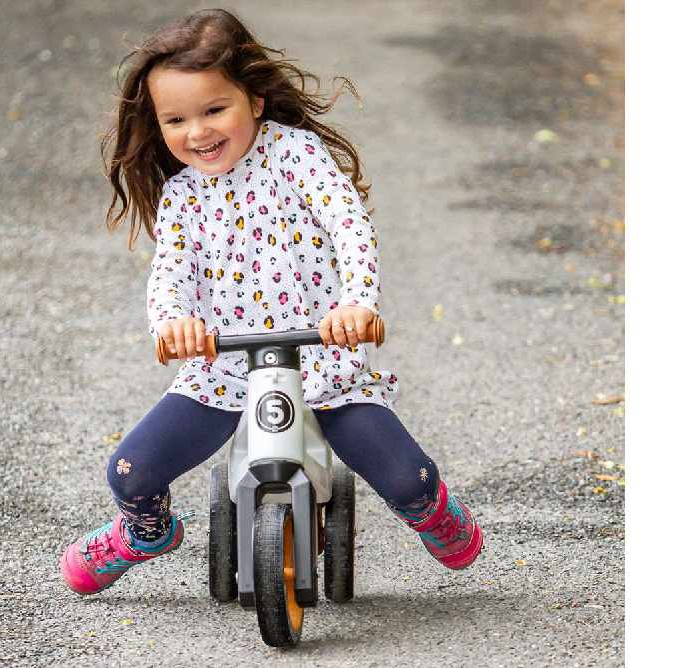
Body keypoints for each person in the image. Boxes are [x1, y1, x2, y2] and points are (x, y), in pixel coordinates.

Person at [60, 8, 483, 596]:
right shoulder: (182, 195)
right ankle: (146, 532)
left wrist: (356, 303)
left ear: (254, 100)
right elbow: (171, 272)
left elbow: (349, 225)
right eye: (176, 120)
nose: (197, 132)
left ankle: (432, 510)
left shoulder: (296, 155)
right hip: (224, 368)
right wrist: (173, 323)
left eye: (214, 110)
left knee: (408, 480)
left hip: (323, 361)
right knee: (130, 471)